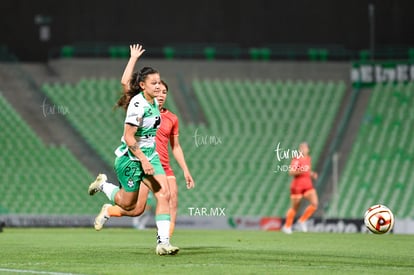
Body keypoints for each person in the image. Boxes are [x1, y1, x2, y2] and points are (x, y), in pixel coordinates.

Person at [88, 64, 179, 255]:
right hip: (130, 159)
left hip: (150, 157)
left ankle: (163, 243)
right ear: (143, 85)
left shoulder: (153, 101)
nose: (158, 88)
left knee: (164, 195)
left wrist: (148, 159)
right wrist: (143, 161)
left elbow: (126, 84)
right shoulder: (137, 105)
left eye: (160, 84)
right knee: (127, 204)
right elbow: (129, 138)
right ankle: (104, 185)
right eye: (154, 84)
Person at [281, 142, 318, 234]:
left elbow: (307, 171)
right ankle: (287, 226)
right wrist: (301, 170)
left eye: (304, 147)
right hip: (297, 186)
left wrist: (312, 174)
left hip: (307, 185)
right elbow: (291, 171)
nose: (302, 149)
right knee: (295, 208)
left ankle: (302, 220)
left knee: (314, 203)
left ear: (308, 150)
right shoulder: (297, 159)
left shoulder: (308, 159)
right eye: (301, 147)